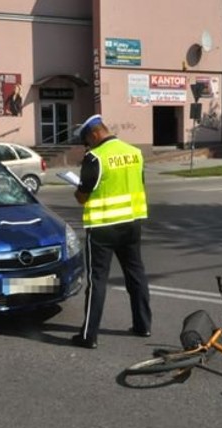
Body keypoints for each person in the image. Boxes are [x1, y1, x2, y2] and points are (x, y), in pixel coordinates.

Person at [70, 114, 152, 349]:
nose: (87, 146)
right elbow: (140, 184)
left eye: (87, 141)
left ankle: (89, 336)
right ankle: (143, 326)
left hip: (103, 227)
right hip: (132, 223)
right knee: (136, 275)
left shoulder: (95, 157)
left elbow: (82, 196)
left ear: (95, 133)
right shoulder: (135, 153)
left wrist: (76, 190)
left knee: (97, 280)